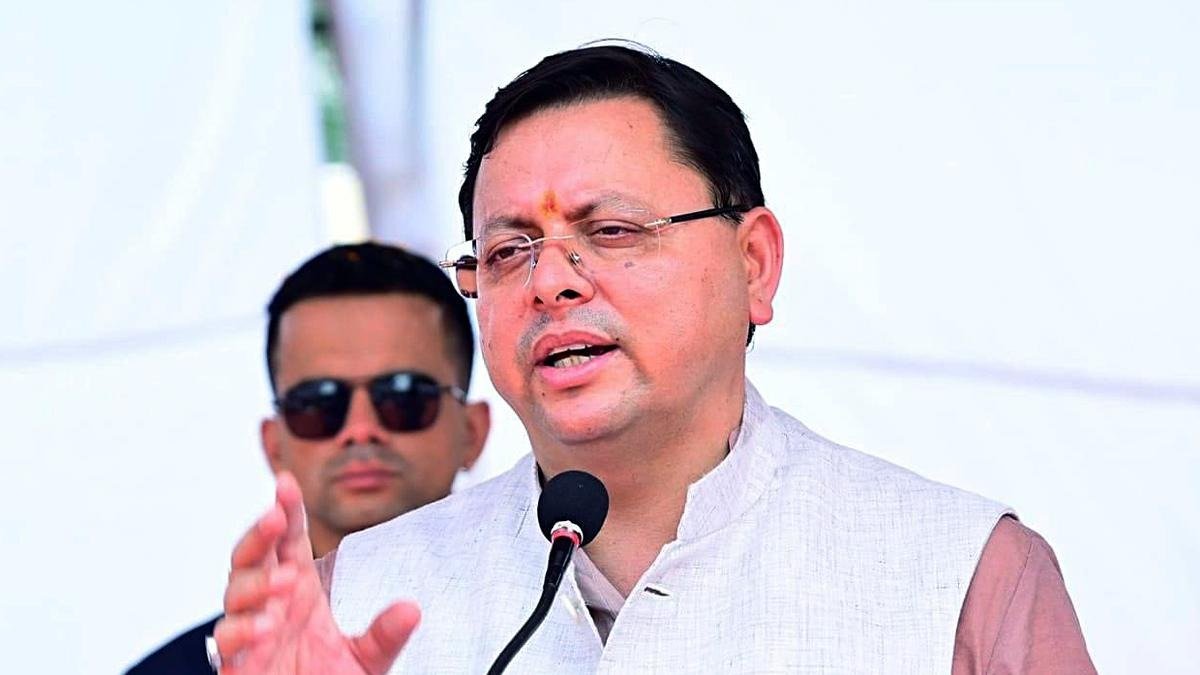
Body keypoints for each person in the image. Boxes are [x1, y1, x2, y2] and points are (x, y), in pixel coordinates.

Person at [213, 44, 1095, 673]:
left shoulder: (961, 575)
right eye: (509, 250)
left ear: (754, 264)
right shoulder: (353, 601)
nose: (551, 281)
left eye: (611, 231)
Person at [126, 243, 489, 674]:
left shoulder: (554, 644)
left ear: (473, 432)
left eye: (402, 397)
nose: (360, 429)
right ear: (273, 445)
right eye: (318, 404)